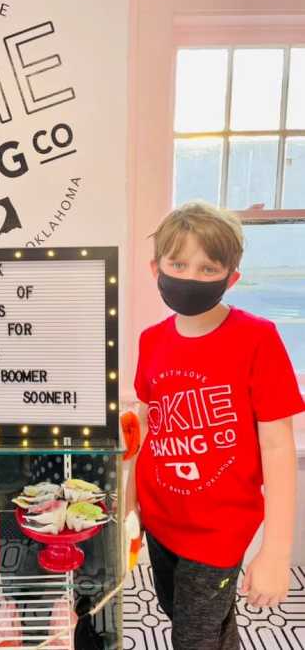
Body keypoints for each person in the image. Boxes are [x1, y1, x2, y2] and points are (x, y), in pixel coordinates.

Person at [126, 201, 305, 650]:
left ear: (232, 277)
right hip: (159, 520)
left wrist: (277, 551)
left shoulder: (257, 339)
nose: (191, 276)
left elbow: (279, 446)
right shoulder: (152, 340)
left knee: (193, 638)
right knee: (187, 618)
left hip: (218, 533)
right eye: (179, 264)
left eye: (209, 269)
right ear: (157, 268)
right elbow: (146, 427)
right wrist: (129, 506)